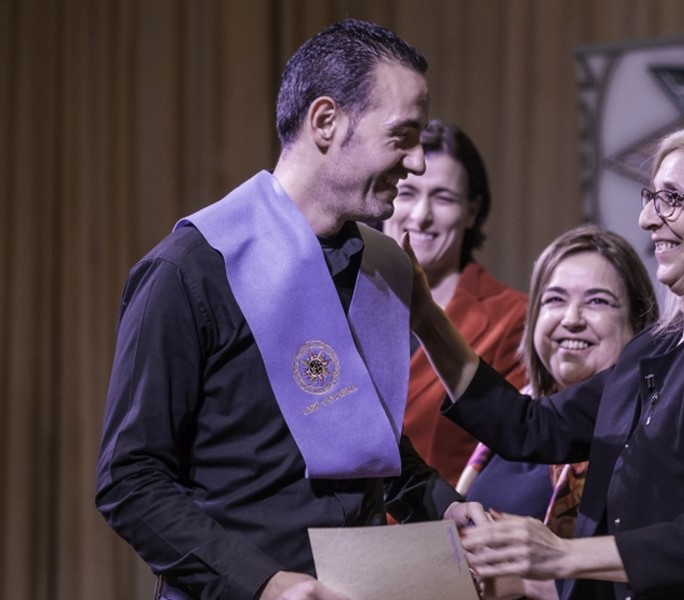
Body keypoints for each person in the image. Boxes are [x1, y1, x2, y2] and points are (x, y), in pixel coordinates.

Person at [95, 19, 484, 600]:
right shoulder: (189, 270)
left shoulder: (382, 267)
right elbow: (129, 481)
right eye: (402, 137)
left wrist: (443, 508)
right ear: (325, 121)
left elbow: (366, 445)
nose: (418, 163)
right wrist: (266, 585)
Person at [405, 124, 684, 599]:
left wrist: (561, 554)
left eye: (672, 199)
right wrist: (425, 316)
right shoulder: (653, 349)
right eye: (651, 198)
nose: (647, 219)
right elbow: (529, 427)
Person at [457, 224, 658, 600]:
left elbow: (663, 568)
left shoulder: (649, 435)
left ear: (638, 324)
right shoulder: (515, 416)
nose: (571, 318)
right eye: (554, 299)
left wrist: (532, 584)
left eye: (597, 301)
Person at [382, 120, 527, 486]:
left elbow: (510, 457)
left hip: (438, 518)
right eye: (407, 192)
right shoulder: (338, 298)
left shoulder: (513, 319)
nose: (421, 216)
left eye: (443, 197)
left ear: (472, 212)